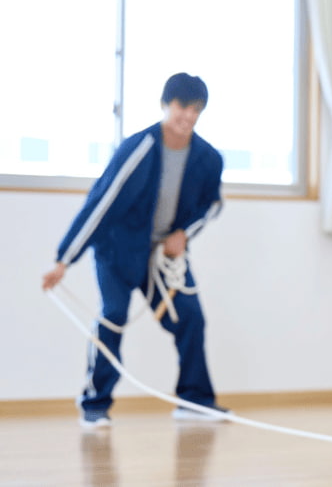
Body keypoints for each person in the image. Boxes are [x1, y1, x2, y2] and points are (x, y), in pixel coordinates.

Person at [42, 73, 229, 428]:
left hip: (163, 255)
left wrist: (184, 234)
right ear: (165, 105)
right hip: (117, 248)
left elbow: (213, 205)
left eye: (196, 109)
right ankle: (95, 404)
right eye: (181, 107)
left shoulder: (208, 158)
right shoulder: (138, 147)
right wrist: (63, 260)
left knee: (190, 316)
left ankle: (194, 399)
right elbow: (100, 204)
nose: (187, 115)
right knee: (113, 315)